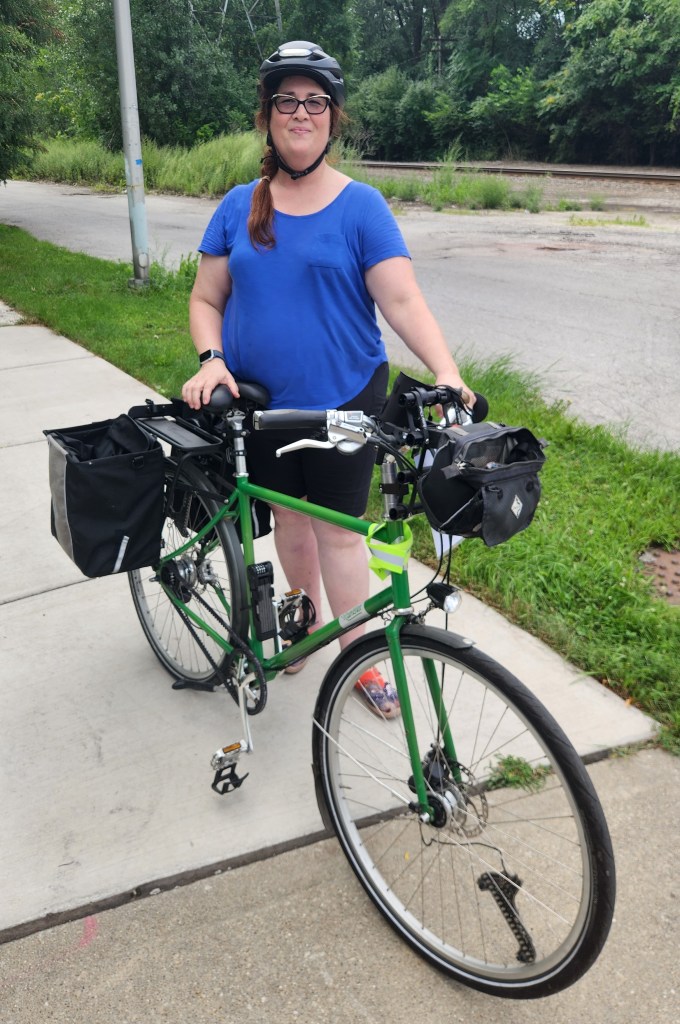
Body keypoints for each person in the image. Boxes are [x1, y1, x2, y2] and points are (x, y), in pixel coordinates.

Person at [182, 40, 475, 718]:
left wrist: (446, 371)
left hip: (345, 398)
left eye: (314, 101)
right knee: (289, 518)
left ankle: (357, 653)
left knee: (341, 531)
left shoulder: (361, 206)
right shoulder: (237, 205)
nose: (300, 112)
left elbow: (402, 301)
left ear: (332, 117)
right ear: (268, 115)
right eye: (287, 100)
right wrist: (211, 359)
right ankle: (305, 620)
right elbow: (205, 300)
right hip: (261, 406)